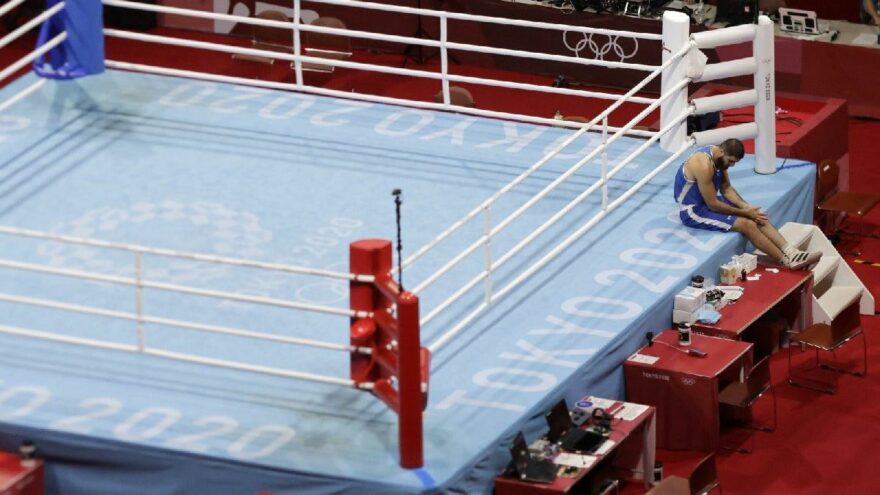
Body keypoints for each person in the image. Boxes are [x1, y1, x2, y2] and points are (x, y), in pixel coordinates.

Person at [673, 138, 821, 270]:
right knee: (747, 224)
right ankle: (786, 261)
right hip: (693, 210)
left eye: (734, 163)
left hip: (707, 201)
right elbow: (712, 204)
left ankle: (792, 252)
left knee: (757, 215)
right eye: (730, 161)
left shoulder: (719, 157)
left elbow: (726, 189)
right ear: (722, 151)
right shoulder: (703, 165)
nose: (732, 165)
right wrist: (745, 213)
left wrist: (747, 208)